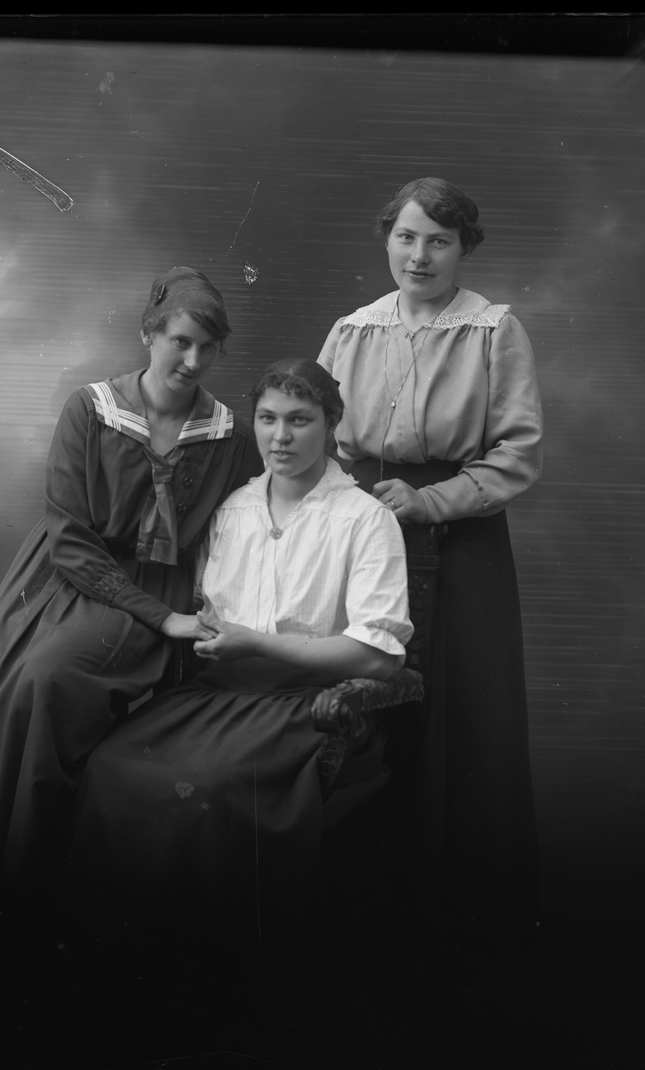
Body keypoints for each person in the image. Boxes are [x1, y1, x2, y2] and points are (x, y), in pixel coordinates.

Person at [65, 358, 413, 951]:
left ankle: (214, 959)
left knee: (204, 790)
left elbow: (378, 658)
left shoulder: (365, 519)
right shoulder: (232, 510)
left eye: (300, 420)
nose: (280, 437)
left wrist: (255, 642)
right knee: (111, 766)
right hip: (218, 696)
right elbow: (204, 608)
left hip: (305, 708)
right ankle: (124, 952)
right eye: (269, 419)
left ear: (331, 425)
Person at [0, 268, 263, 899]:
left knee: (52, 679)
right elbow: (68, 534)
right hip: (66, 577)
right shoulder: (90, 409)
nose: (193, 361)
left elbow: (245, 525)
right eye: (180, 341)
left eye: (208, 348)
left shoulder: (230, 435)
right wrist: (160, 615)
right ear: (148, 333)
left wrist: (179, 614)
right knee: (20, 687)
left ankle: (43, 869)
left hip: (162, 593)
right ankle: (6, 872)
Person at [317, 177, 544, 955]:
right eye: (406, 237)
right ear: (387, 239)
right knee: (368, 696)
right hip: (366, 530)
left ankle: (462, 911)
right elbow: (319, 439)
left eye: (437, 241)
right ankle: (367, 896)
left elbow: (517, 453)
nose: (418, 255)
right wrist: (349, 504)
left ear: (461, 248)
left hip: (462, 535)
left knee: (463, 707)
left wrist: (430, 502)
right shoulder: (352, 330)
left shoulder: (492, 330)